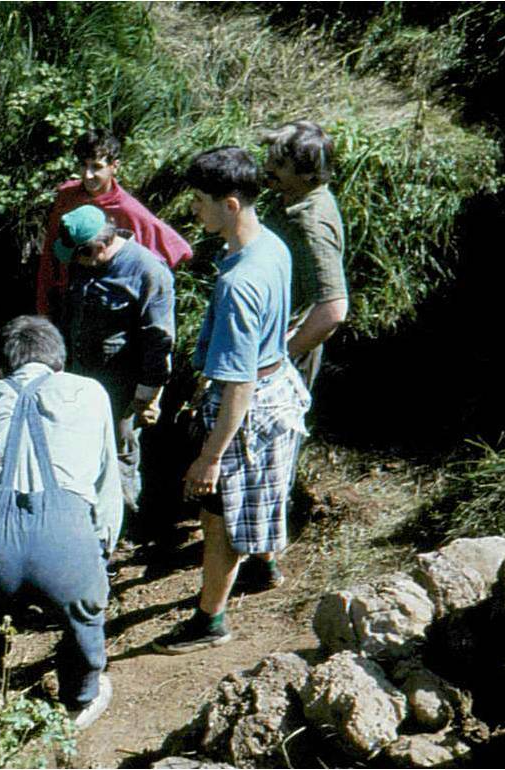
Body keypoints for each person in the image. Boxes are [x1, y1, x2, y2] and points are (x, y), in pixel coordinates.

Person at [150, 148, 310, 655]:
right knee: (266, 485)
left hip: (249, 405)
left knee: (218, 513)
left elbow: (237, 384)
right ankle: (264, 565)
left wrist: (210, 457)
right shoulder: (271, 246)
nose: (193, 209)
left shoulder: (239, 283)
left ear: (232, 204)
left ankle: (210, 621)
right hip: (278, 383)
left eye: (200, 200)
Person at [0, 315, 122, 737]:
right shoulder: (90, 393)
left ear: (5, 366)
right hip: (66, 534)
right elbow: (107, 483)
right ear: (58, 360)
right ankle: (80, 697)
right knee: (84, 620)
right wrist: (99, 555)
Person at [55, 203, 175, 517]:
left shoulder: (147, 270)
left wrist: (147, 395)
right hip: (80, 380)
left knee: (120, 456)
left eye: (80, 255)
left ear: (101, 246)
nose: (75, 263)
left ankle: (119, 528)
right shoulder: (84, 260)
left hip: (122, 390)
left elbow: (160, 338)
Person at [36, 128, 191, 318]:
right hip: (65, 298)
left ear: (114, 166)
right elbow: (50, 253)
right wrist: (44, 304)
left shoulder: (128, 209)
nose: (88, 175)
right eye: (83, 166)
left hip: (105, 306)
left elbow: (178, 250)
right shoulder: (67, 196)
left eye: (96, 166)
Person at [260, 120, 348, 391]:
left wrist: (279, 358)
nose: (268, 168)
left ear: (308, 175)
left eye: (280, 165)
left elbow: (333, 310)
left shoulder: (309, 224)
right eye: (270, 159)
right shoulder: (293, 197)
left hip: (283, 345)